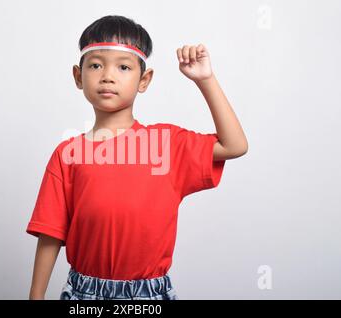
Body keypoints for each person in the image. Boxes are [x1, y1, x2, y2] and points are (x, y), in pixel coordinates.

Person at [26, 15, 248, 300]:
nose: (108, 75)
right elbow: (51, 232)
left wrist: (205, 80)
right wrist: (36, 296)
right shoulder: (68, 154)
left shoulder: (165, 145)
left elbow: (235, 145)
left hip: (148, 296)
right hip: (84, 294)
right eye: (95, 65)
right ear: (78, 77)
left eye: (123, 66)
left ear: (144, 80)